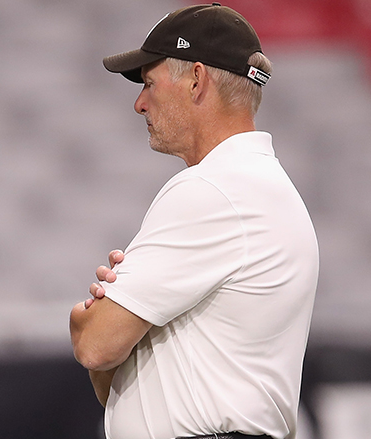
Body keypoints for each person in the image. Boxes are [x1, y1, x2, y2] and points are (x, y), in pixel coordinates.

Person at [69, 4, 319, 439]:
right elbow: (111, 381)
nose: (139, 103)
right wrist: (119, 331)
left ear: (197, 79)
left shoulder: (214, 189)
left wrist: (85, 316)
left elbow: (94, 344)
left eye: (149, 83)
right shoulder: (261, 187)